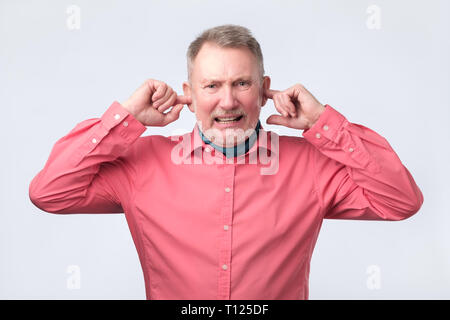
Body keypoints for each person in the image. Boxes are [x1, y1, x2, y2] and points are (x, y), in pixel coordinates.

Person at [29, 24, 424, 300]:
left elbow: (400, 201)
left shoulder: (313, 165)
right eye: (212, 85)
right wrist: (125, 119)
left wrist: (324, 123)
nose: (228, 101)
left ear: (265, 89)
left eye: (242, 83)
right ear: (189, 93)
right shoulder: (141, 163)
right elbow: (50, 192)